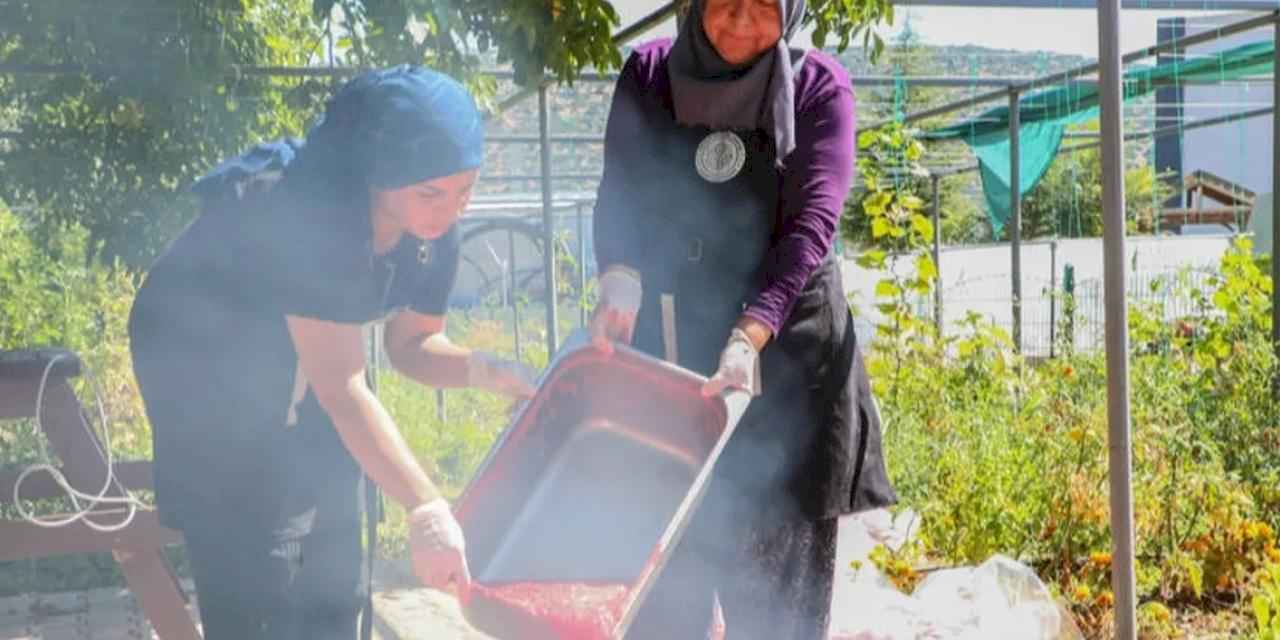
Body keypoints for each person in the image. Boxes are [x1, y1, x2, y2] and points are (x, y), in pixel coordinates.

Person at [128, 66, 534, 640]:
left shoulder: (433, 229)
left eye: (465, 191)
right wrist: (427, 508)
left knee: (335, 545)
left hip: (304, 367)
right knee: (257, 551)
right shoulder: (313, 216)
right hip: (202, 354)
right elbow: (342, 387)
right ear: (378, 173)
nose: (448, 211)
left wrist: (484, 370)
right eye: (431, 193)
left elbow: (412, 345)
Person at [589, 0, 897, 636]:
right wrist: (619, 278)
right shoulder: (650, 75)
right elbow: (621, 189)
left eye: (761, 8)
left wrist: (750, 330)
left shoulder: (818, 88)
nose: (739, 23)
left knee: (776, 603)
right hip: (673, 347)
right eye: (724, 3)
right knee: (667, 586)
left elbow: (811, 231)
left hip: (785, 356)